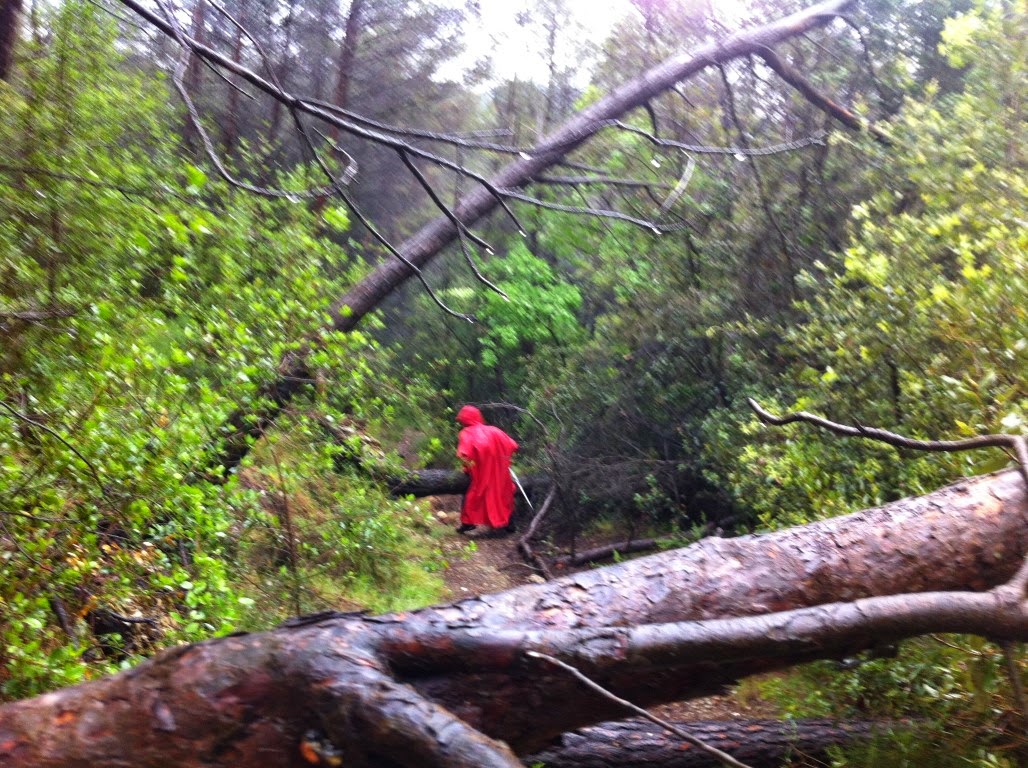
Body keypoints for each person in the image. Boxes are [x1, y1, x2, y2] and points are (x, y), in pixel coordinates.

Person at [455, 405, 519, 536]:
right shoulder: (494, 430)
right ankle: (510, 525)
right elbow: (513, 445)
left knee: (472, 496)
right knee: (504, 496)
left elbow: (464, 455)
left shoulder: (467, 433)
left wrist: (468, 468)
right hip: (501, 473)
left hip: (482, 474)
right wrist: (504, 461)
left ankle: (467, 523)